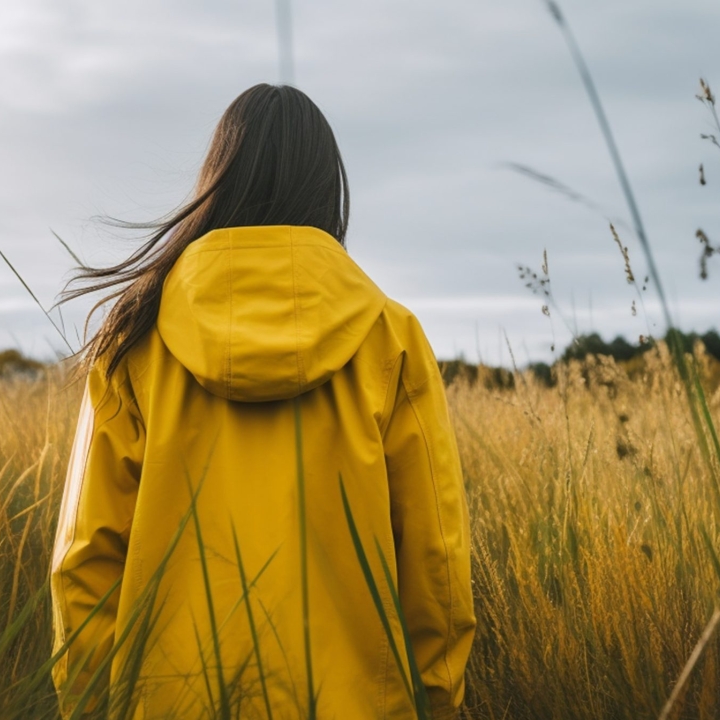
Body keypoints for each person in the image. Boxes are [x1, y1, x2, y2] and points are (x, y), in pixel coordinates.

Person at [50, 83, 474, 719]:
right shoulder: (393, 338)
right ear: (328, 189)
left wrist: (87, 706)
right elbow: (435, 554)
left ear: (217, 183)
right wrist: (435, 700)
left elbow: (85, 559)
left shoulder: (133, 340)